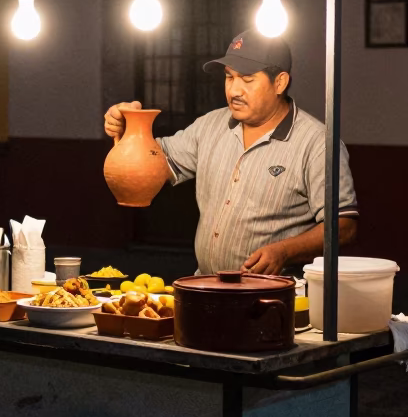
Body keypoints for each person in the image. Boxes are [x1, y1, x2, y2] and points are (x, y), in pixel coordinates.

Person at [104, 29, 359, 275]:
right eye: (229, 77)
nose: (234, 90)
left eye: (247, 79)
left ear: (279, 82)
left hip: (275, 298)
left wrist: (285, 251)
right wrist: (129, 129)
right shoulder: (210, 125)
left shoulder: (316, 143)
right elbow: (152, 163)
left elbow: (344, 226)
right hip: (205, 288)